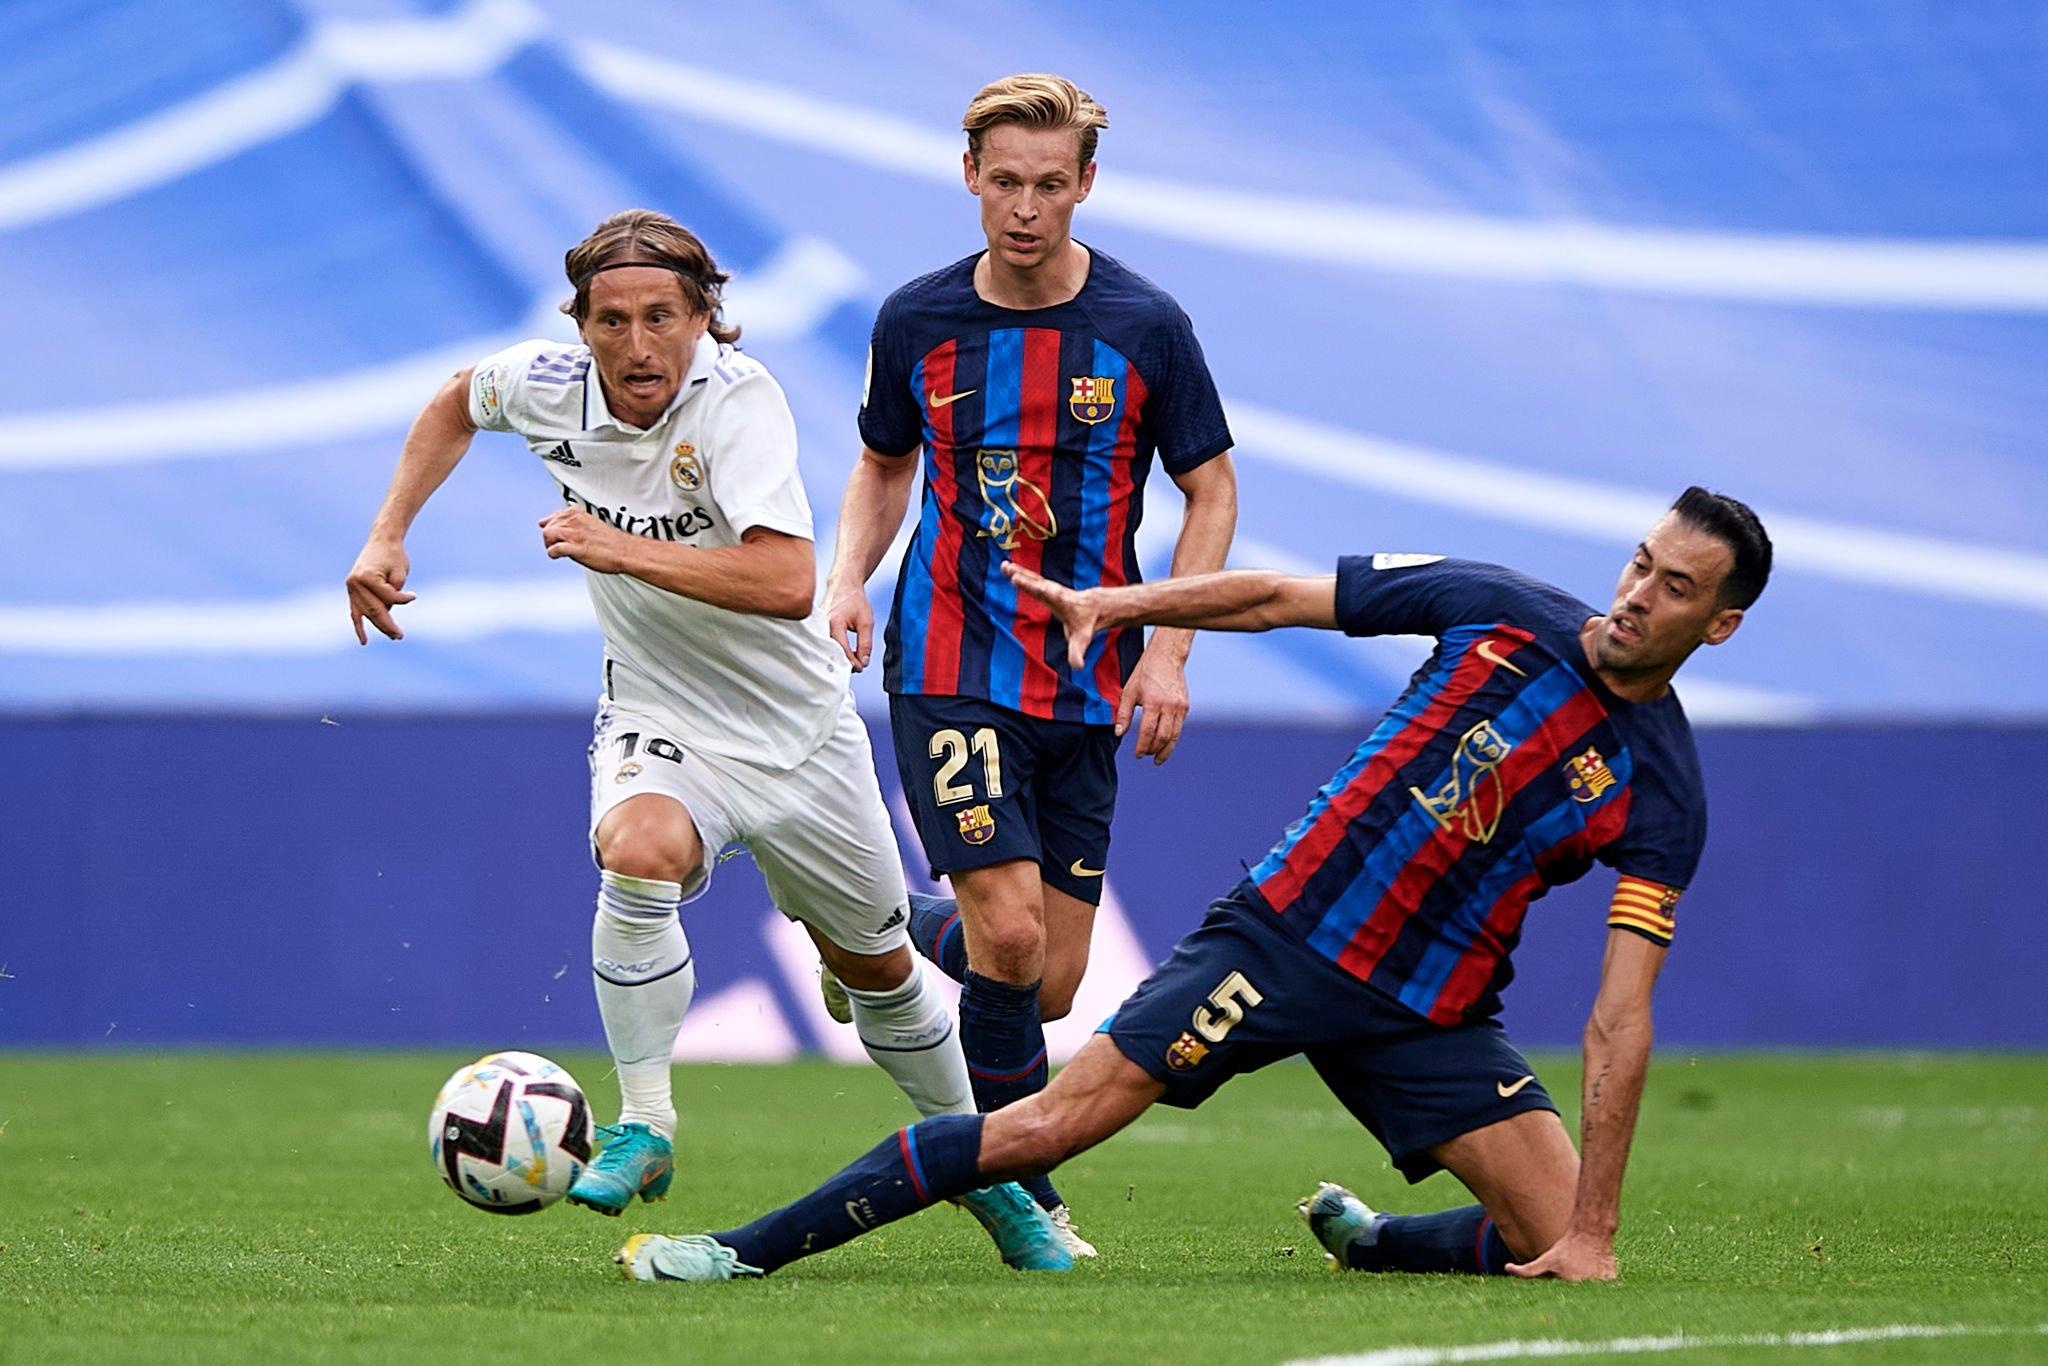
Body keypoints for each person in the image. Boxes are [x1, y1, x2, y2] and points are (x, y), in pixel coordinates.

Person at [612, 488, 1771, 1287]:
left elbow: (1620, 1014)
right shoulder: (1499, 607)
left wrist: (1597, 1233)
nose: (1633, 594)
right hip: (1278, 944)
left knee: (1552, 1238)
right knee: (1042, 1131)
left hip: (1432, 1009)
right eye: (1636, 563)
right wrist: (1121, 608)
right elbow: (1270, 596)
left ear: (1714, 625)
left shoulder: (1661, 793)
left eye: (1672, 589)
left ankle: (1369, 1245)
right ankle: (737, 1250)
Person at [345, 209, 1067, 1271]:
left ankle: (987, 1176)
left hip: (798, 734)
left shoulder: (740, 404)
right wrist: (386, 532)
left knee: (874, 970)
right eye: (612, 320)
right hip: (662, 714)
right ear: (581, 324)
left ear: (701, 319)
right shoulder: (544, 384)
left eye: (661, 317)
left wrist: (613, 548)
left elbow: (785, 581)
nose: (637, 344)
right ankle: (645, 1122)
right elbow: (456, 400)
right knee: (636, 849)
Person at [819, 73, 1239, 1253]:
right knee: (1005, 943)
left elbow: (1210, 489)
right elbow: (881, 462)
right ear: (969, 176)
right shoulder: (917, 319)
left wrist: (1168, 651)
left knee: (1045, 984)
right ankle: (1022, 1194)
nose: (1023, 207)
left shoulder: (1145, 326)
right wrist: (850, 575)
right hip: (947, 657)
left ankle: (875, 930)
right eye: (1003, 182)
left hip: (1083, 681)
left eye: (1048, 185)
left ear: (1084, 185)